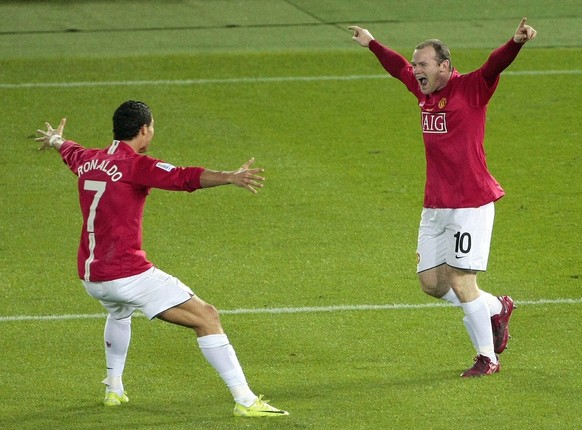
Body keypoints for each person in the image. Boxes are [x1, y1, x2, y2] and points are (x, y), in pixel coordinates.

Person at [35, 100, 289, 417]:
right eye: (152, 126)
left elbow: (70, 152)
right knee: (207, 317)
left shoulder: (89, 160)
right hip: (127, 274)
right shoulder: (135, 165)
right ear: (144, 130)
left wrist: (56, 139)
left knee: (119, 313)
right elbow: (183, 177)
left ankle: (114, 389)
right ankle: (246, 401)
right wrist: (229, 177)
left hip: (93, 276)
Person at [349, 18, 537, 377]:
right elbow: (397, 67)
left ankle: (488, 358)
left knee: (462, 280)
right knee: (433, 284)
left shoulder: (472, 88)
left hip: (471, 203)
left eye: (424, 64)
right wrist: (371, 43)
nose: (416, 70)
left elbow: (494, 64)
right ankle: (497, 307)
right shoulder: (424, 92)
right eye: (416, 64)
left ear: (445, 66)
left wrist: (515, 42)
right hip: (435, 205)